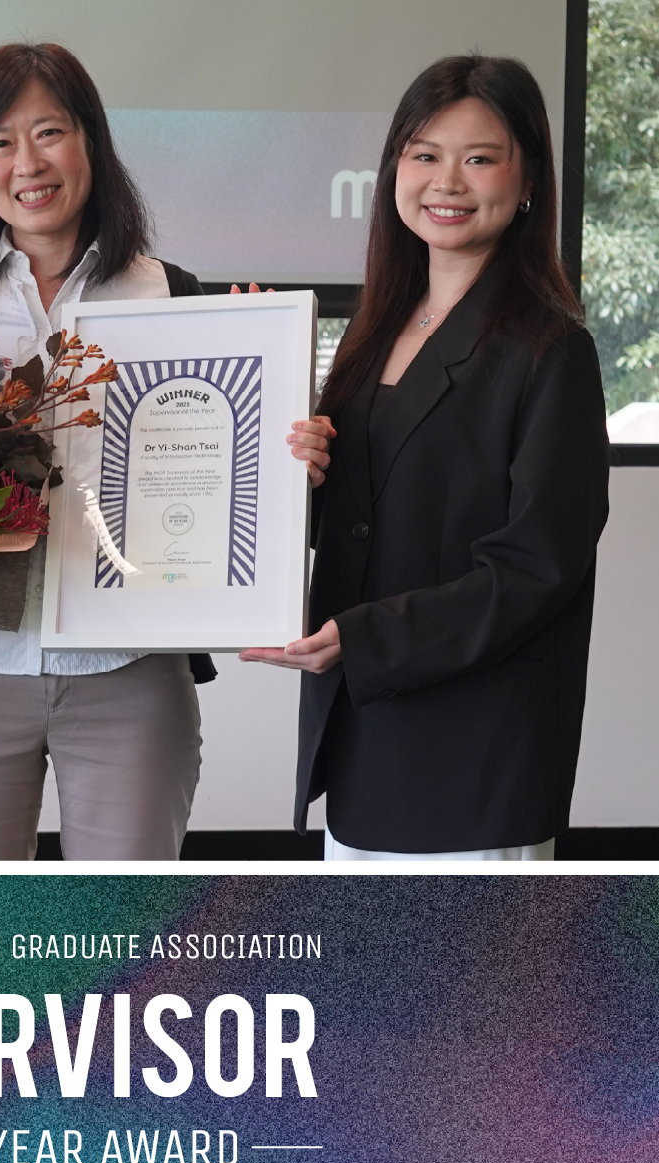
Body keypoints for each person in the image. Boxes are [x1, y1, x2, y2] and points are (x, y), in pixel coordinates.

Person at [241, 55, 610, 859]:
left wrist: (365, 638)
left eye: (478, 158)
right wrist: (296, 472)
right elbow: (362, 517)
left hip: (472, 754)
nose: (446, 182)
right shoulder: (372, 333)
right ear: (393, 170)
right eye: (424, 154)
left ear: (528, 182)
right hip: (360, 736)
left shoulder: (551, 350)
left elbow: (537, 567)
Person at [0, 44, 215, 861]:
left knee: (119, 927)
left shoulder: (173, 296)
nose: (27, 163)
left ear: (90, 142)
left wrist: (286, 438)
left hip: (130, 668)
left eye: (48, 132)